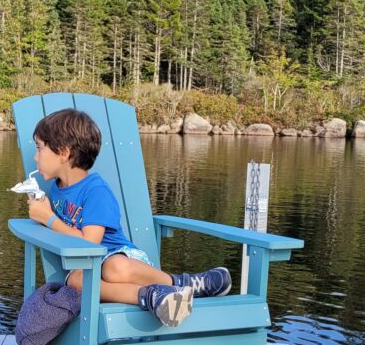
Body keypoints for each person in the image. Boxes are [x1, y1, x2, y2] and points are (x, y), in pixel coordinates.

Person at [26, 109, 231, 327]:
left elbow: (89, 243)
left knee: (113, 268)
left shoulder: (96, 191)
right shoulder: (56, 190)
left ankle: (183, 283)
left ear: (64, 153)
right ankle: (152, 296)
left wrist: (48, 218)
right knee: (76, 281)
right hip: (87, 268)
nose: (35, 156)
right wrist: (43, 213)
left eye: (39, 148)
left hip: (121, 259)